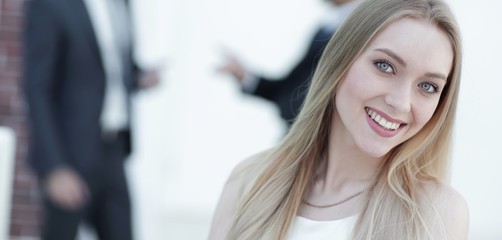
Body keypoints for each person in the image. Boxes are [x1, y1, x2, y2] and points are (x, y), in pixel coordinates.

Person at [209, 0, 469, 239]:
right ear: (338, 61)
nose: (401, 102)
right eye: (385, 66)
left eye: (428, 86)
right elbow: (289, 89)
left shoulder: (438, 213)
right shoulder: (248, 181)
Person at [22, 0, 158, 239]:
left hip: (113, 147)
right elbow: (37, 89)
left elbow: (112, 66)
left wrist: (138, 77)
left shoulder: (121, 4)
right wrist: (55, 167)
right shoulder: (50, 4)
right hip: (70, 153)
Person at [219, 0, 360, 126]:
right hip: (295, 136)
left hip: (323, 140)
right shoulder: (324, 30)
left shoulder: (364, 31)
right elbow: (291, 87)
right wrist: (245, 75)